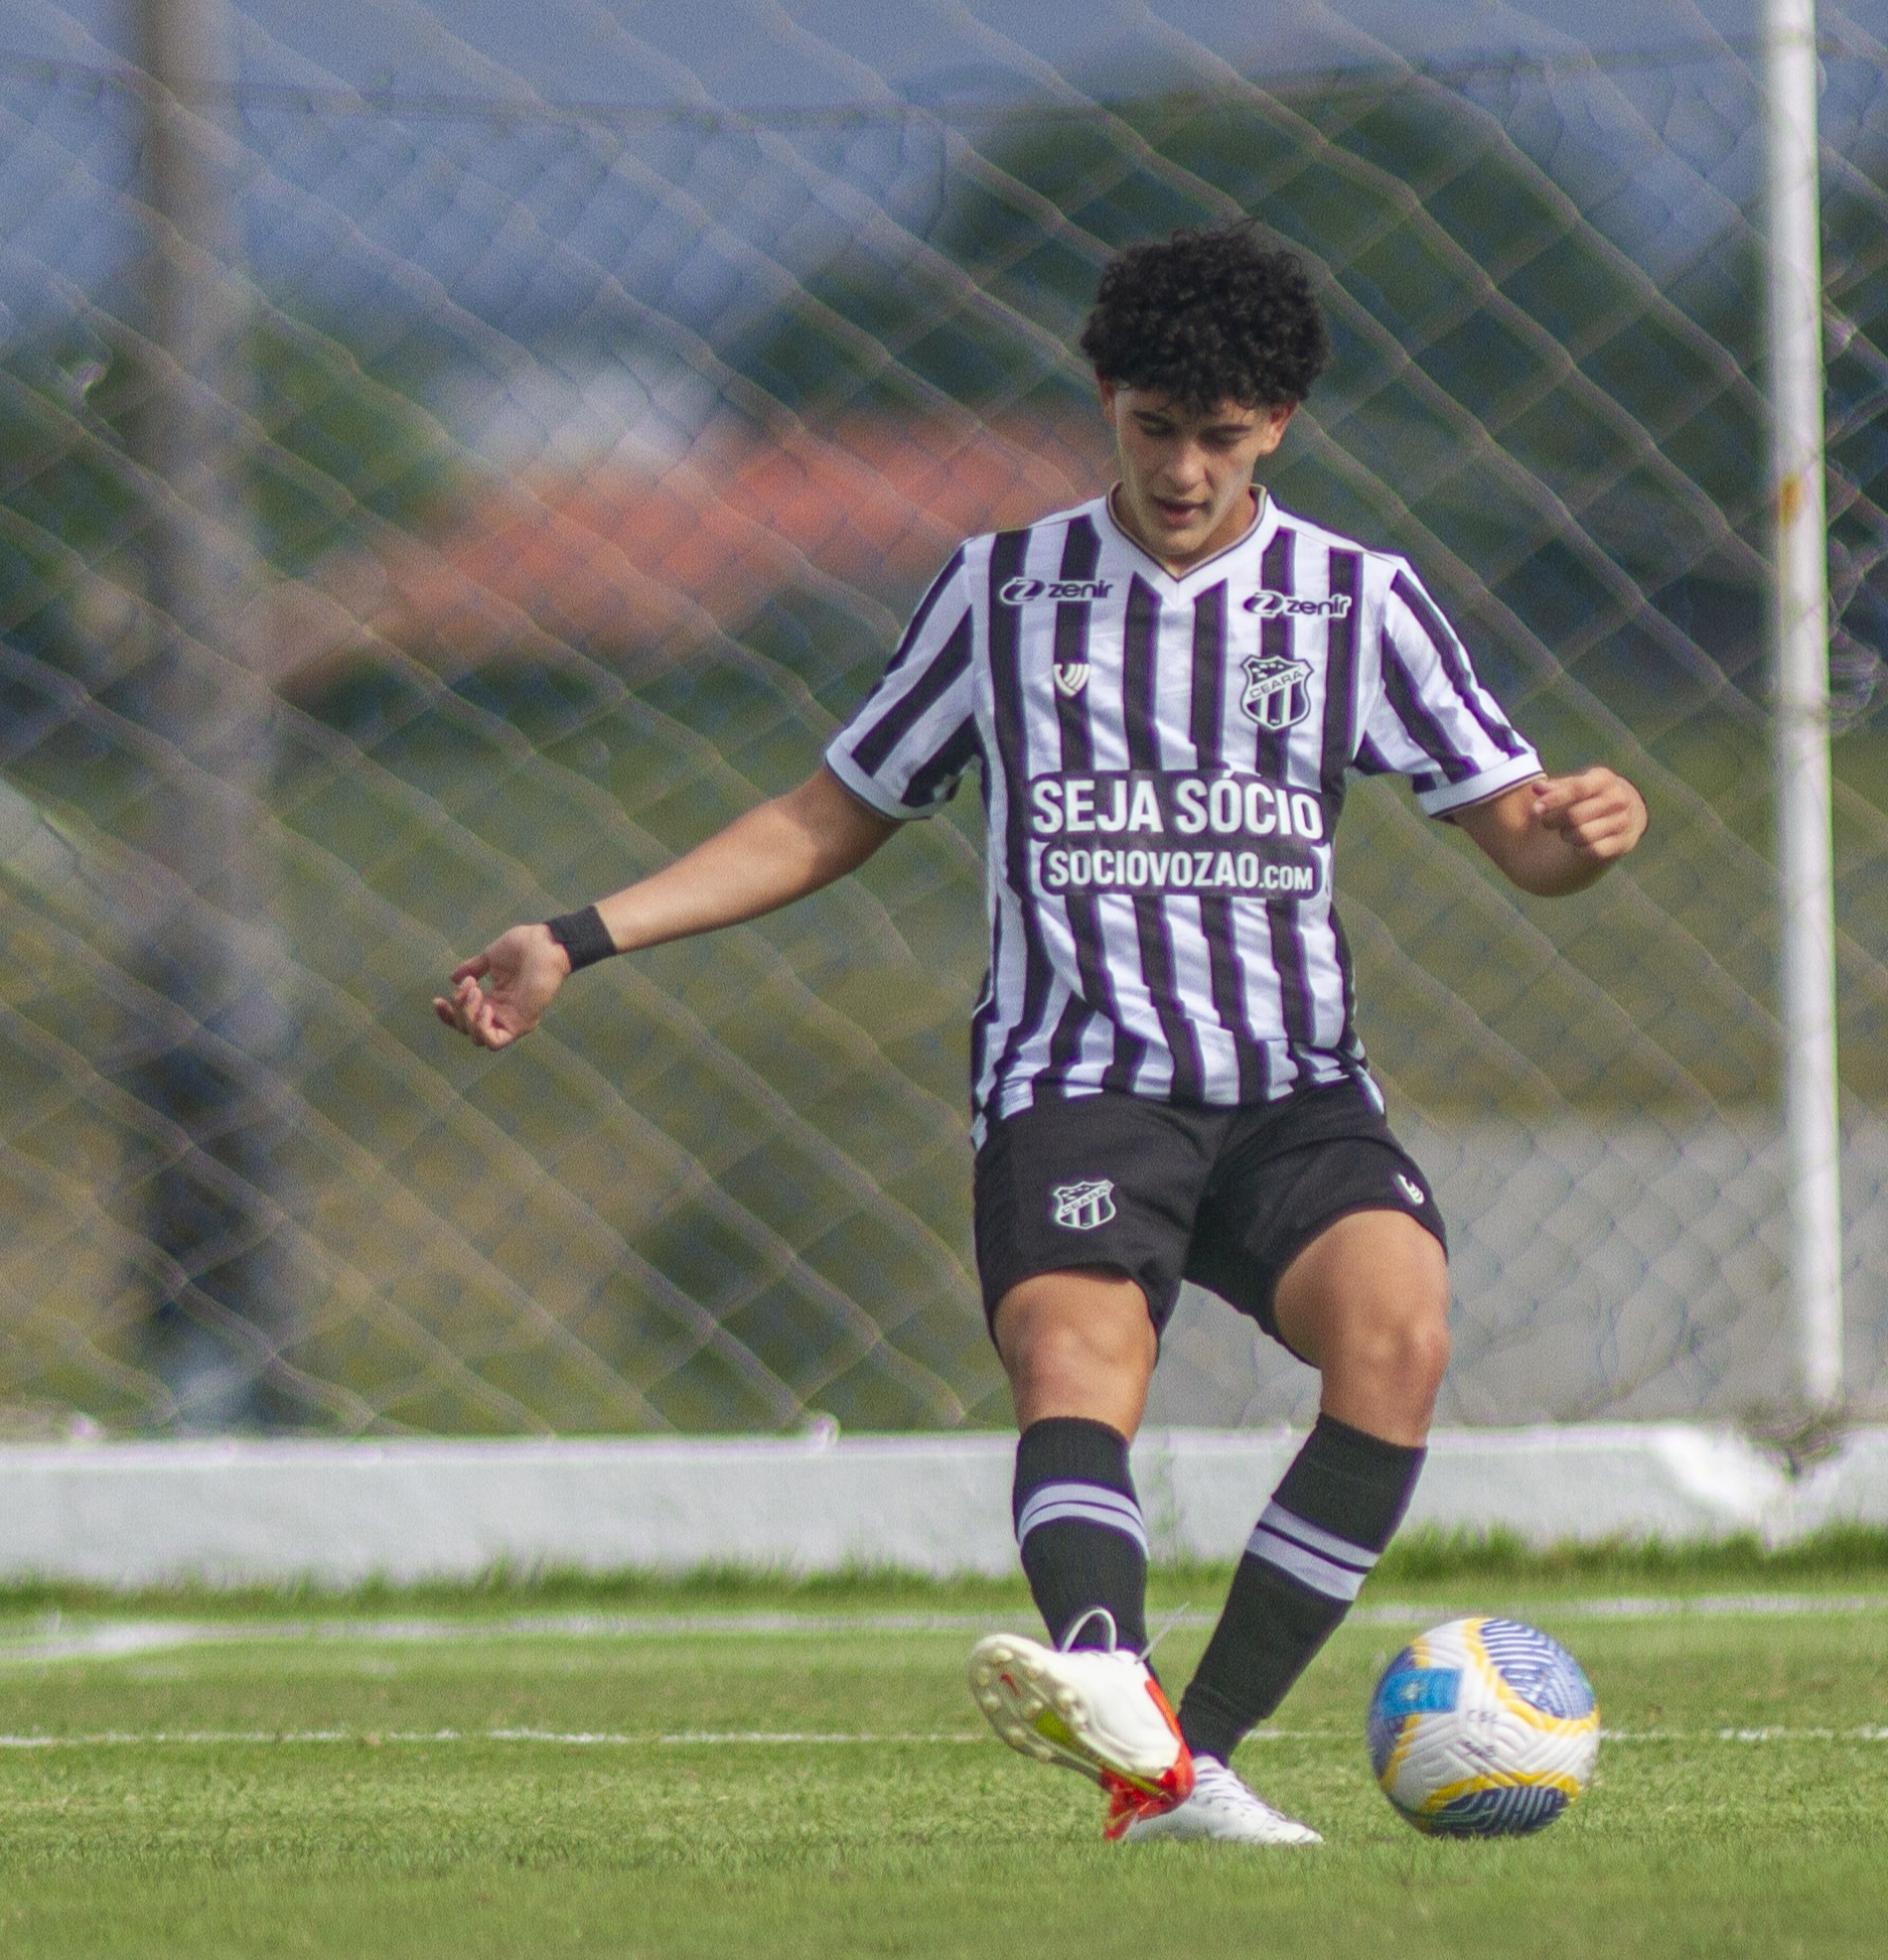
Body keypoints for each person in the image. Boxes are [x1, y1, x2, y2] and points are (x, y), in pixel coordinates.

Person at [435, 222, 1648, 1843]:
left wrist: (1588, 826)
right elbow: (827, 813)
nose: (1186, 469)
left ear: (1278, 422)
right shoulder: (1000, 592)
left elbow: (1522, 836)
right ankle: (1109, 1674)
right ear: (1107, 400)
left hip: (1291, 1090)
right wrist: (581, 934)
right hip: (1077, 1081)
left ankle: (1179, 1760)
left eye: (1222, 436)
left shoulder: (1362, 602)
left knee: (1401, 1332)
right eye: (1157, 427)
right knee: (1077, 1356)